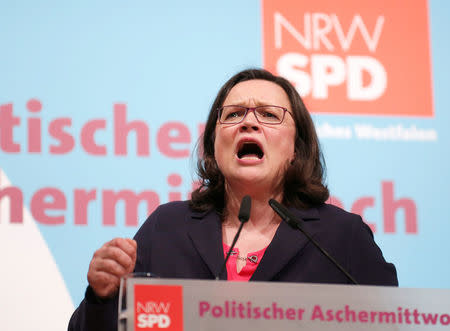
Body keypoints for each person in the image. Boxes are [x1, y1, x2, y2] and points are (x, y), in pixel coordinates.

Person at [68, 69, 398, 330]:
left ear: (297, 148)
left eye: (269, 115)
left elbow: (391, 324)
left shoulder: (340, 237)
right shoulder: (166, 228)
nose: (249, 122)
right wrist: (102, 296)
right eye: (234, 114)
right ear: (214, 144)